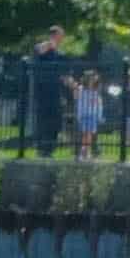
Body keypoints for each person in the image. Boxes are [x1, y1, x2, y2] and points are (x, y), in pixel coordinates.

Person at [29, 25, 67, 158]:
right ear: (54, 35)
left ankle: (50, 147)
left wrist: (70, 83)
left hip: (55, 91)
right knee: (44, 120)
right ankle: (42, 148)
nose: (62, 38)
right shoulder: (42, 47)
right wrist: (51, 43)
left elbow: (60, 73)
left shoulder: (58, 53)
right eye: (60, 35)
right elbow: (40, 50)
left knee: (56, 119)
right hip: (43, 90)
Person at [69, 67, 105, 161]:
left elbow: (99, 104)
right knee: (85, 134)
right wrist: (74, 86)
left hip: (92, 115)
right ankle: (84, 151)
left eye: (94, 78)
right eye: (90, 78)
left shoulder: (96, 91)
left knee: (88, 133)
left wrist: (99, 116)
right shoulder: (81, 89)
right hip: (83, 114)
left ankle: (85, 151)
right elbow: (75, 96)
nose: (92, 80)